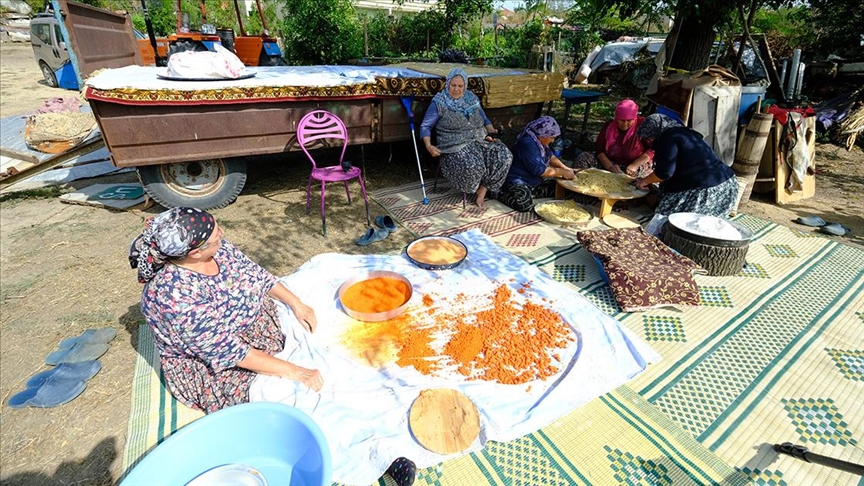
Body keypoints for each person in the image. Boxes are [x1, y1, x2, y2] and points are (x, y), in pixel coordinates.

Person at [129, 207, 323, 414]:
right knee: (291, 400)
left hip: (252, 331)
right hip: (219, 364)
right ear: (195, 253)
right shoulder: (172, 296)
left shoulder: (216, 249)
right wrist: (297, 372)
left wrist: (297, 304)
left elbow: (256, 274)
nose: (221, 233)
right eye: (216, 235)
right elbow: (229, 351)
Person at [420, 68, 513, 208]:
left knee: (505, 155)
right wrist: (429, 145)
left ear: (465, 86)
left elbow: (485, 120)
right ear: (448, 84)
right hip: (454, 145)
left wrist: (491, 133)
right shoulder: (439, 102)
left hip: (480, 140)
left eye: (460, 86)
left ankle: (483, 189)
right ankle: (474, 187)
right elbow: (425, 126)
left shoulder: (472, 99)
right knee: (473, 166)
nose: (456, 89)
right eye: (453, 85)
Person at [634, 114, 738, 217]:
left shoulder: (668, 138)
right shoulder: (684, 132)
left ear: (655, 132)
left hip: (706, 190)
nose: (649, 141)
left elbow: (664, 173)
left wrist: (644, 181)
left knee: (667, 217)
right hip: (727, 184)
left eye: (649, 137)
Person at [497, 116, 577, 212]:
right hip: (518, 180)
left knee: (565, 190)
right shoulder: (528, 143)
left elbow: (551, 157)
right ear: (543, 134)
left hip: (535, 181)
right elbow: (540, 170)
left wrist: (565, 168)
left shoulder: (540, 142)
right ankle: (498, 193)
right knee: (524, 204)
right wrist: (562, 172)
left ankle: (531, 192)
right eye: (551, 137)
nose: (552, 141)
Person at [573, 99, 654, 178]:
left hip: (633, 165)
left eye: (629, 120)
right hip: (611, 162)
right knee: (584, 157)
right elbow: (599, 150)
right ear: (616, 118)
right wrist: (610, 167)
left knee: (640, 177)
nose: (625, 124)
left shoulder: (642, 126)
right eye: (621, 120)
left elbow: (652, 150)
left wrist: (634, 165)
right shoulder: (609, 126)